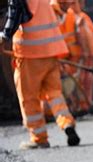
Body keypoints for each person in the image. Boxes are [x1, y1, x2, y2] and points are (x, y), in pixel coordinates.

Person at [0, 0, 80, 149]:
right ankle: (67, 123)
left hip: (30, 54)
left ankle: (39, 138)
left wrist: (4, 36)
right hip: (51, 51)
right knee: (54, 93)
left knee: (29, 97)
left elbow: (15, 12)